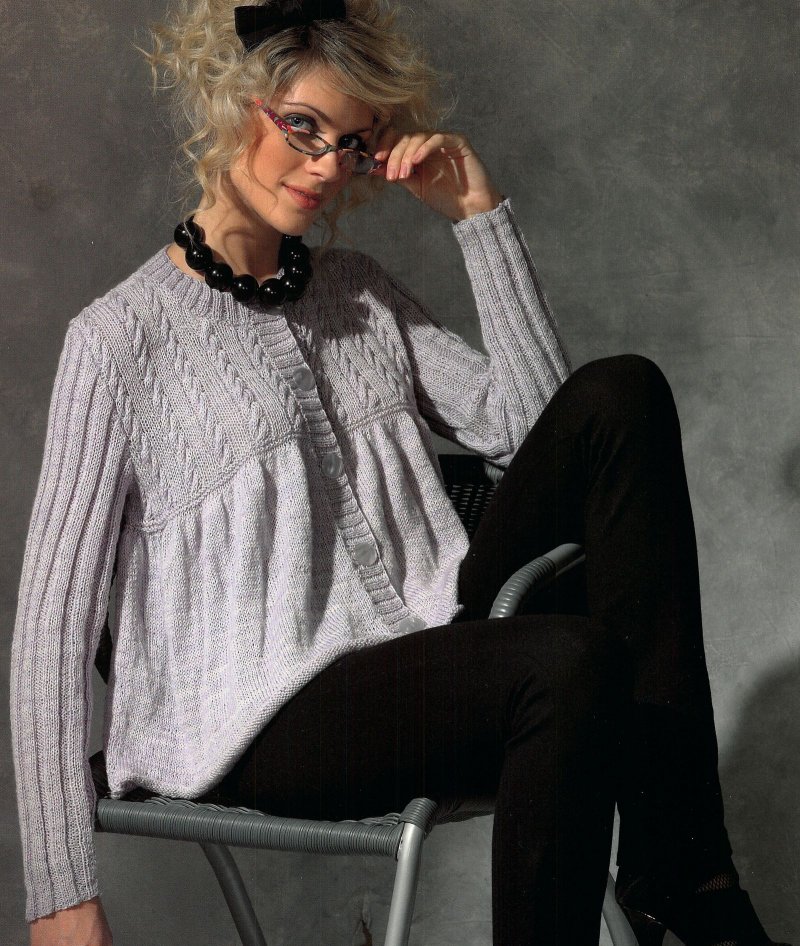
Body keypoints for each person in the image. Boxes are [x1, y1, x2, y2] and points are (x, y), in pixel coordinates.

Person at [9, 1, 789, 944]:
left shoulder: (360, 290)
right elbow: (51, 626)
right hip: (268, 711)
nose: (325, 166)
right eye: (303, 127)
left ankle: (680, 869)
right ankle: (684, 883)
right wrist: (61, 893)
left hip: (425, 646)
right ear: (230, 105)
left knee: (622, 393)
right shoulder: (118, 342)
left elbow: (541, 439)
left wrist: (479, 221)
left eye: (351, 143)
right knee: (568, 661)